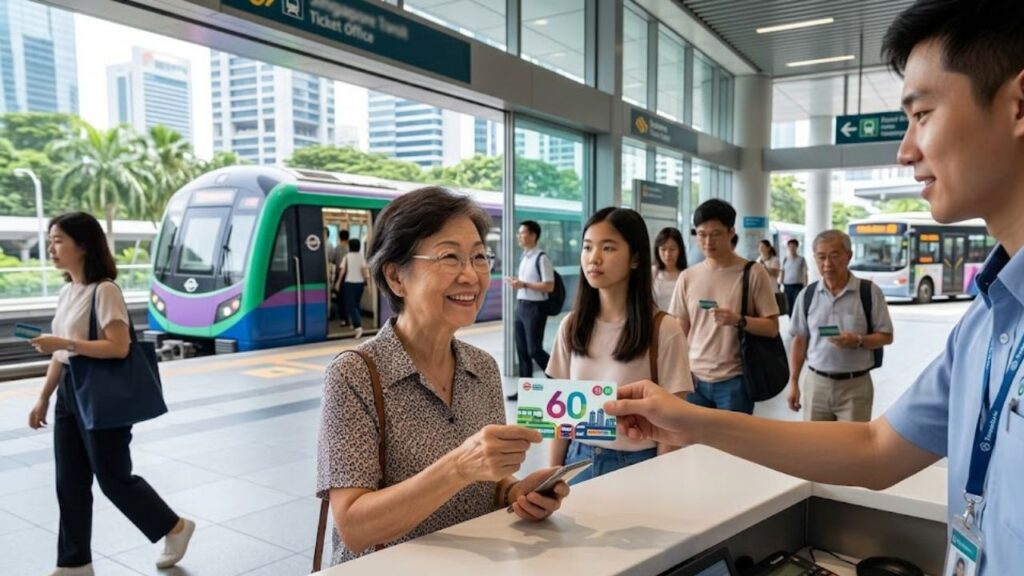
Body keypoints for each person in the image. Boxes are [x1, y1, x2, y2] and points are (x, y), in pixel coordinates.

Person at [604, 2, 1024, 572]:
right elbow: (877, 451)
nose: (905, 150)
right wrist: (691, 420)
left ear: (1018, 105)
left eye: (922, 113)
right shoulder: (986, 322)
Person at [317, 187, 570, 565]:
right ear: (396, 277)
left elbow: (486, 485)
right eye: (450, 257)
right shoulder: (354, 374)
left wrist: (515, 492)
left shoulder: (482, 367)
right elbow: (354, 526)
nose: (471, 275)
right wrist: (459, 465)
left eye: (479, 257)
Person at [27, 212, 194, 576]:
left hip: (102, 393)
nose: (51, 248)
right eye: (51, 240)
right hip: (71, 393)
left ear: (83, 245)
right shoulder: (67, 292)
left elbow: (118, 347)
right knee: (69, 481)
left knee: (113, 479)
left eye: (58, 240)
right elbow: (60, 355)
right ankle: (74, 563)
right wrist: (44, 396)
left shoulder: (105, 291)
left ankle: (174, 527)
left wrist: (65, 342)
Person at [548, 208, 691, 483]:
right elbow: (561, 416)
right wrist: (551, 475)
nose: (594, 258)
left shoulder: (665, 330)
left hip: (639, 465)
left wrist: (662, 481)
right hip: (577, 461)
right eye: (587, 248)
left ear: (635, 258)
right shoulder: (571, 325)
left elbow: (674, 424)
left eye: (608, 248)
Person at [669, 200, 780, 414]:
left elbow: (772, 327)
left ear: (731, 232)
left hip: (735, 381)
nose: (707, 241)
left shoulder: (753, 272)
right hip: (694, 380)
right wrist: (679, 371)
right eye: (701, 234)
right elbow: (680, 329)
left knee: (730, 447)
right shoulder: (688, 276)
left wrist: (738, 320)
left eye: (715, 234)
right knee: (693, 445)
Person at [787, 230, 894, 422]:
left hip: (855, 387)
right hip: (816, 384)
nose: (827, 264)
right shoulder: (807, 295)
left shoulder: (868, 292)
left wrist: (859, 340)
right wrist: (793, 382)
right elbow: (800, 339)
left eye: (834, 255)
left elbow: (886, 336)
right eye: (821, 257)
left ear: (849, 256)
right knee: (815, 447)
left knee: (851, 449)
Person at [505, 220, 554, 401]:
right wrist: (517, 282)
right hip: (522, 306)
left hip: (535, 308)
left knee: (534, 350)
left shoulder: (542, 258)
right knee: (522, 351)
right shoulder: (525, 257)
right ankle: (525, 392)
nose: (519, 236)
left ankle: (556, 379)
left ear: (533, 235)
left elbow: (549, 286)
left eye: (522, 233)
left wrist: (523, 284)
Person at [336, 237, 369, 339]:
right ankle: (354, 323)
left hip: (349, 283)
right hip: (359, 284)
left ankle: (358, 327)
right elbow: (364, 271)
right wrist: (367, 282)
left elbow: (342, 271)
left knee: (351, 306)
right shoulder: (361, 257)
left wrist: (337, 283)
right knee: (356, 304)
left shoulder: (347, 257)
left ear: (350, 246)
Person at [652, 227, 687, 311]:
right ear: (657, 250)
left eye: (672, 249)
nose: (667, 254)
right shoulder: (652, 273)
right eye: (663, 249)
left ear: (680, 250)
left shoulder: (686, 275)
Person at [782, 238, 809, 316]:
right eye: (790, 246)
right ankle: (791, 321)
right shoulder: (785, 259)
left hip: (798, 285)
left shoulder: (801, 260)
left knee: (796, 303)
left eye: (793, 246)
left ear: (797, 247)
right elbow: (783, 272)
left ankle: (797, 319)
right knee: (789, 305)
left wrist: (805, 285)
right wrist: (780, 283)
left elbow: (805, 273)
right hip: (787, 286)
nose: (791, 248)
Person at [331, 229, 350, 324]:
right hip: (350, 275)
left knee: (340, 298)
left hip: (340, 274)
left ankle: (343, 318)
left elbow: (332, 259)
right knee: (348, 297)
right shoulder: (351, 249)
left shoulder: (337, 248)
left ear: (339, 237)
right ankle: (348, 317)